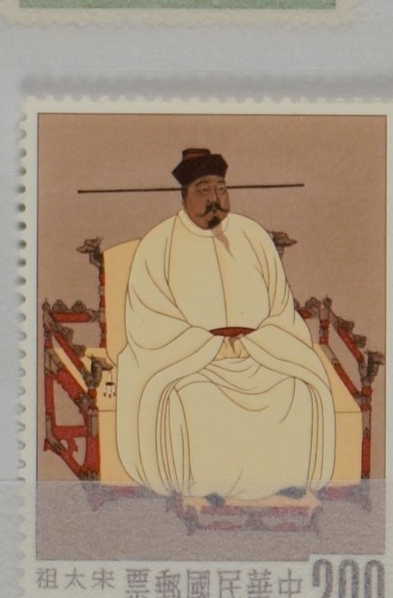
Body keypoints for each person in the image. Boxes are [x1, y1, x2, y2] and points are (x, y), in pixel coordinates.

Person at [110, 147, 343, 508]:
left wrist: (254, 343)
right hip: (192, 361)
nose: (214, 200)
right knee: (194, 398)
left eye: (221, 189)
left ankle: (284, 478)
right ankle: (207, 485)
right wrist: (211, 346)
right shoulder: (159, 244)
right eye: (203, 190)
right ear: (184, 195)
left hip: (259, 352)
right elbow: (149, 317)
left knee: (295, 388)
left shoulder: (253, 236)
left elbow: (280, 307)